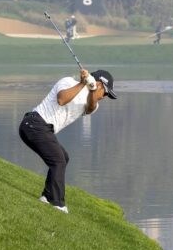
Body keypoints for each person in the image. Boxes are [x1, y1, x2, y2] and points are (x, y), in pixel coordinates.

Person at [18, 68, 118, 213]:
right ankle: (57, 203)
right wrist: (82, 83)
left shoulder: (93, 102)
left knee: (63, 157)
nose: (104, 96)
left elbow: (90, 108)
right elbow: (62, 99)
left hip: (43, 129)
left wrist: (91, 90)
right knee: (58, 160)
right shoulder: (67, 82)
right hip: (34, 124)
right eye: (106, 92)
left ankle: (47, 196)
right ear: (100, 84)